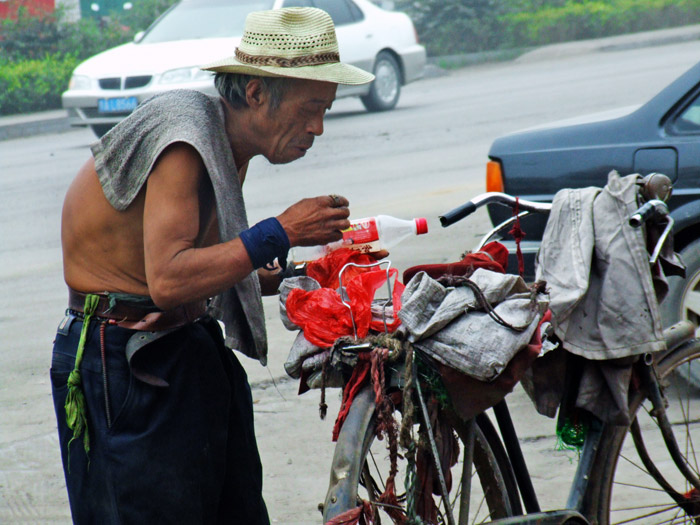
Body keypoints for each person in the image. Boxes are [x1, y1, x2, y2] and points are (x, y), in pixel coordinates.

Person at [50, 7, 374, 524]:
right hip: (122, 360)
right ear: (256, 94)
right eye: (311, 108)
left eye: (326, 110)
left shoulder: (230, 142)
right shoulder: (185, 137)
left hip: (182, 346)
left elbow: (205, 265)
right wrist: (280, 230)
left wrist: (291, 277)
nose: (317, 127)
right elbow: (170, 277)